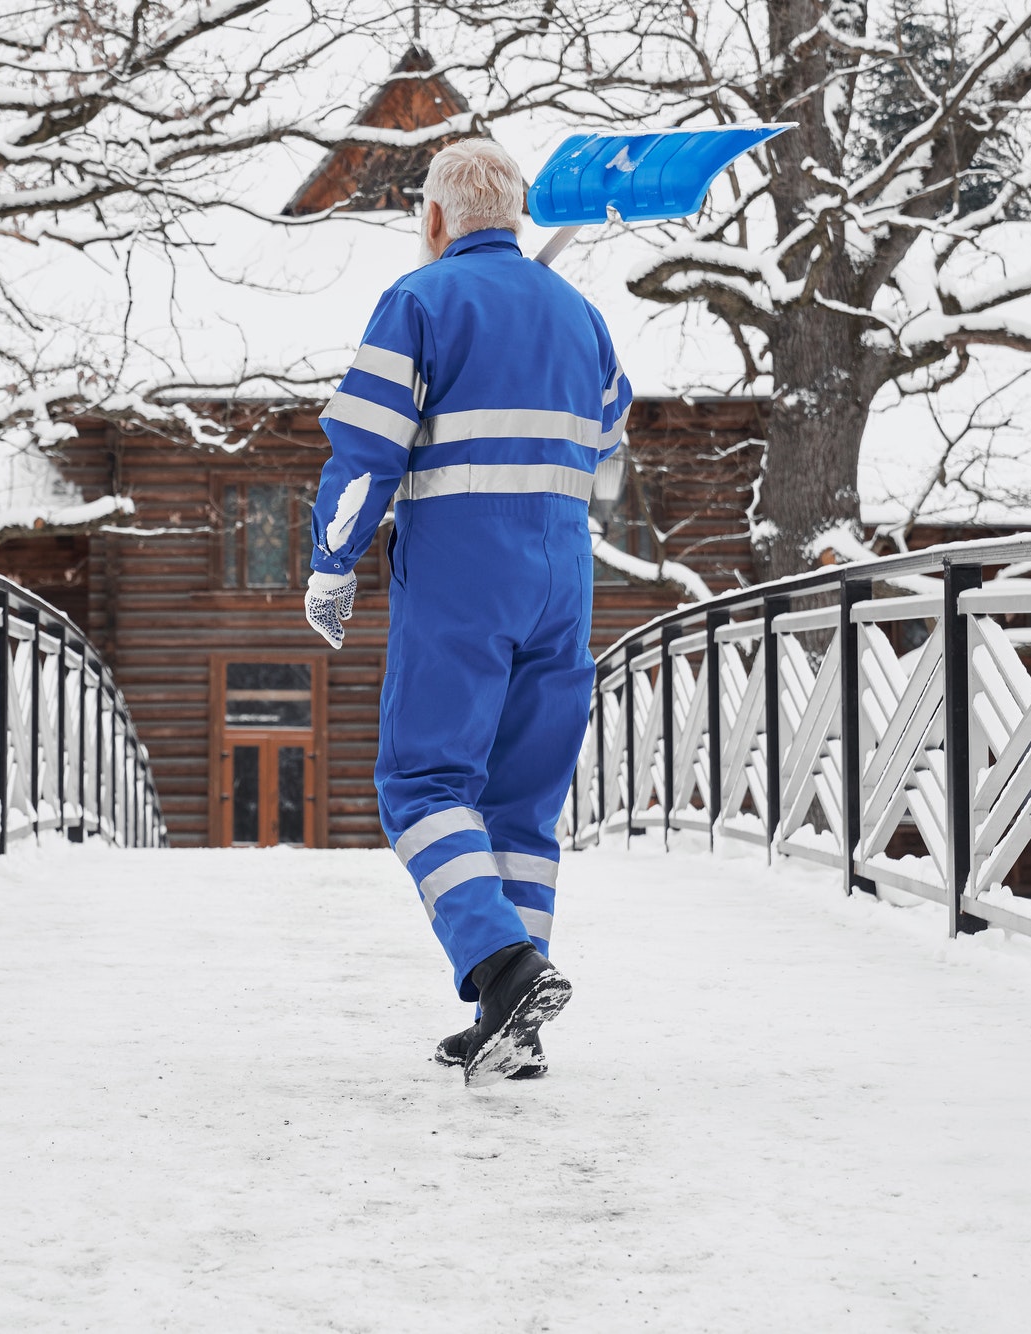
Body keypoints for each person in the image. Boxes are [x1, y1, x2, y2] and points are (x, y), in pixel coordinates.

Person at [301, 139, 631, 1087]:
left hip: (459, 576)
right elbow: (608, 429)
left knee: (421, 785)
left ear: (437, 220)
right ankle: (511, 1018)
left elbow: (366, 451)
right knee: (521, 805)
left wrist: (332, 563)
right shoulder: (582, 316)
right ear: (517, 217)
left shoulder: (419, 303)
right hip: (562, 576)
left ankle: (503, 962)